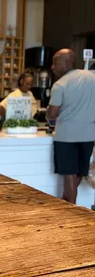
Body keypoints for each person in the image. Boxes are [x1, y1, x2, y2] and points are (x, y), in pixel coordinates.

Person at [47, 48, 95, 204]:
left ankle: (70, 209)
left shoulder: (60, 84)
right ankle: (65, 201)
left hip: (66, 136)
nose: (52, 67)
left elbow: (52, 114)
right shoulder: (92, 77)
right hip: (88, 135)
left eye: (55, 63)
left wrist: (50, 111)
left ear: (66, 62)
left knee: (69, 174)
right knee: (78, 172)